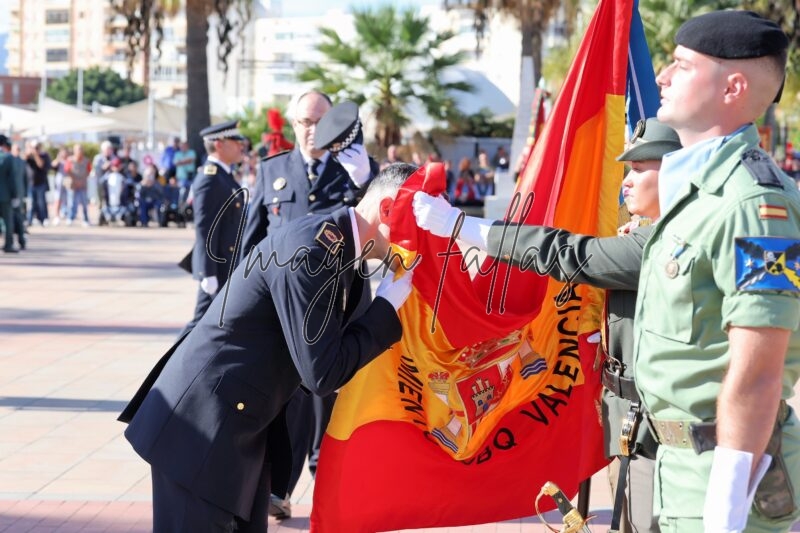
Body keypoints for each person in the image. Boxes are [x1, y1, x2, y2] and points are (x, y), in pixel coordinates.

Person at [413, 117, 681, 533]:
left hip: (658, 433)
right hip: (632, 423)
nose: (626, 181)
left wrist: (461, 227)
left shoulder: (664, 243)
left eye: (640, 169)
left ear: (676, 173)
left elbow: (566, 252)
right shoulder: (653, 235)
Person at [118, 163, 417, 533]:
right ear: (387, 210)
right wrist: (387, 309)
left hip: (239, 426)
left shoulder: (338, 249)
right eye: (419, 229)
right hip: (202, 428)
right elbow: (322, 372)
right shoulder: (315, 249)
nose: (420, 245)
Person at [631, 11, 800, 533]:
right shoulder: (702, 192)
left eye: (682, 65)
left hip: (727, 478)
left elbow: (759, 368)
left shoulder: (753, 203)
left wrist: (725, 509)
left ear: (733, 88)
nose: (663, 77)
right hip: (681, 468)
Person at [239, 92, 380, 517]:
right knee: (285, 400)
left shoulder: (356, 168)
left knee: (332, 401)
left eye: (321, 121)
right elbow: (252, 241)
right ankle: (279, 488)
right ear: (293, 124)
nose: (312, 130)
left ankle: (330, 488)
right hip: (284, 308)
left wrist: (366, 180)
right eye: (304, 121)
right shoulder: (273, 169)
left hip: (339, 302)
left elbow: (386, 216)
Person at [178, 120, 246, 337]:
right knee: (200, 324)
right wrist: (207, 272)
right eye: (235, 141)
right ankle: (174, 357)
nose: (241, 145)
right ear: (219, 144)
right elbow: (205, 228)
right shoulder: (210, 178)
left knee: (210, 323)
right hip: (217, 266)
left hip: (227, 263)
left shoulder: (223, 175)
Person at [0, 134, 19, 253]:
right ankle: (8, 244)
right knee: (7, 221)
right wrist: (15, 195)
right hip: (5, 195)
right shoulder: (8, 157)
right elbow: (12, 179)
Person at [25, 141, 51, 227]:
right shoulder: (29, 156)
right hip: (31, 184)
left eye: (36, 148)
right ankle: (29, 220)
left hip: (41, 183)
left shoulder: (44, 155)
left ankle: (43, 219)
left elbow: (40, 165)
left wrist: (36, 155)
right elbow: (23, 159)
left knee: (41, 203)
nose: (35, 149)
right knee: (31, 203)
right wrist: (29, 150)